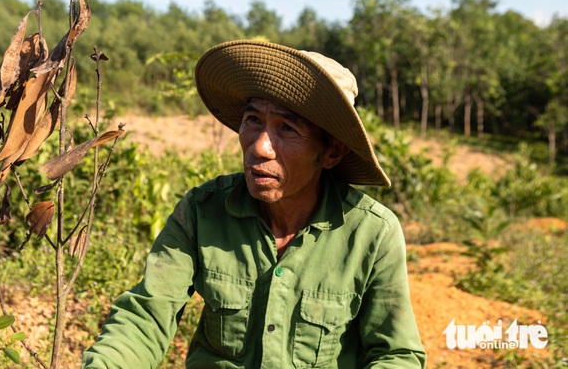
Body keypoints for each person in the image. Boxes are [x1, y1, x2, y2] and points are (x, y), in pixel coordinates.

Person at [82, 40, 426, 368]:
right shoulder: (203, 211)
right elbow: (147, 315)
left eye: (287, 128)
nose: (260, 146)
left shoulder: (371, 233)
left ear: (331, 152)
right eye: (253, 121)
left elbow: (396, 355)